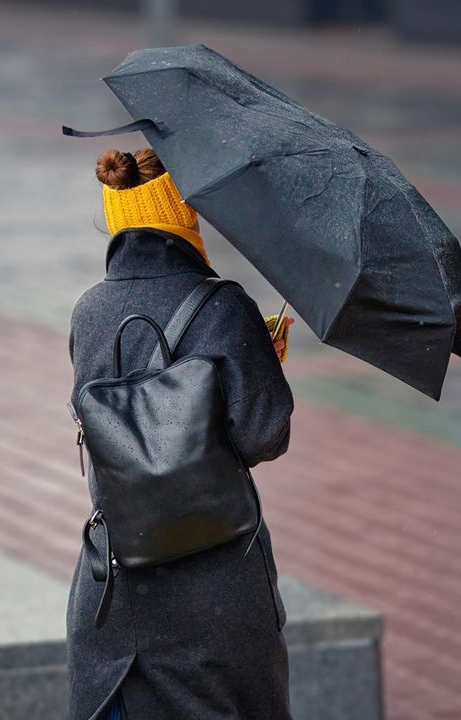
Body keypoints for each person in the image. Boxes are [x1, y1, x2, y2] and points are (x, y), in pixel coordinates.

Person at [66, 148, 295, 720]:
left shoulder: (88, 310)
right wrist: (265, 363)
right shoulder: (225, 306)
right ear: (184, 216)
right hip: (215, 596)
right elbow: (263, 434)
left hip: (114, 591)